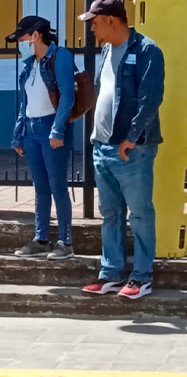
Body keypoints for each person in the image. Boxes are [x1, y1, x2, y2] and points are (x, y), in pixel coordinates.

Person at [79, 0, 165, 299]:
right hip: (102, 147)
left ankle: (141, 277)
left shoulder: (146, 51)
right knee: (110, 214)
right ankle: (111, 273)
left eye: (94, 21)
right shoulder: (106, 50)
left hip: (133, 149)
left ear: (112, 20)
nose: (91, 27)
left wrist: (131, 137)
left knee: (139, 214)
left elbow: (150, 99)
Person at [8, 16, 76, 260]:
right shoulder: (29, 65)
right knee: (40, 187)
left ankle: (65, 242)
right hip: (31, 130)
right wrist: (19, 134)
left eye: (23, 38)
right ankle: (41, 239)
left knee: (58, 185)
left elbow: (67, 95)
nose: (21, 43)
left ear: (35, 36)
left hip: (51, 128)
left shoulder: (60, 57)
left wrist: (57, 129)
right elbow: (24, 104)